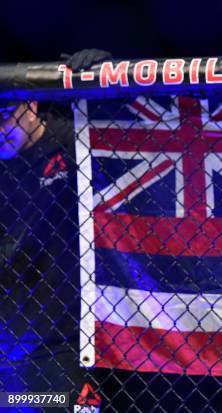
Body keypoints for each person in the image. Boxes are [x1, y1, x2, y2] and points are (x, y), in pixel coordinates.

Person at [0, 49, 111, 411]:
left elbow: (130, 134)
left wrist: (107, 73)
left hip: (63, 342)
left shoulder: (73, 141)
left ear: (30, 106)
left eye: (4, 117)